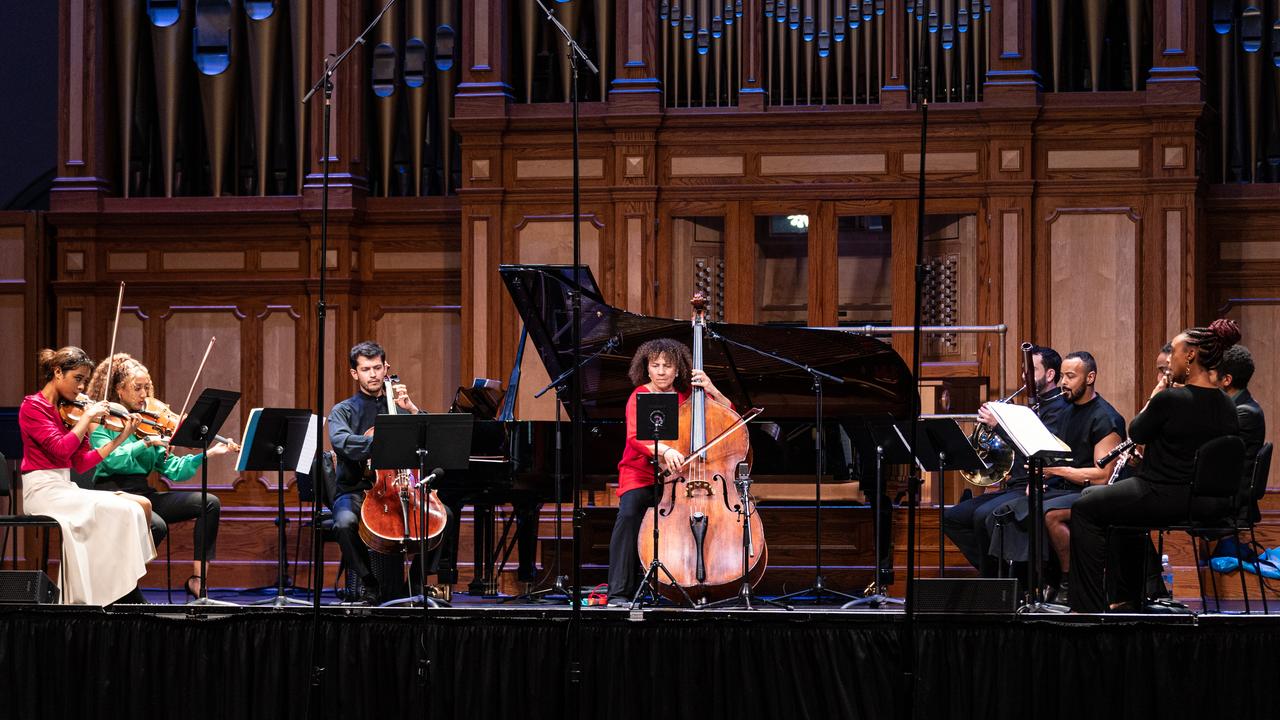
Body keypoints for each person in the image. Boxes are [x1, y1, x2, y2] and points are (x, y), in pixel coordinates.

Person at [1070, 320, 1243, 613]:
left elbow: (1137, 432)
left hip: (1164, 494)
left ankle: (1086, 607)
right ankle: (1127, 599)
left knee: (1085, 507)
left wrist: (1156, 393)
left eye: (1174, 352)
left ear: (1189, 355)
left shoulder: (1170, 398)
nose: (1170, 361)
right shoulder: (1226, 404)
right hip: (1205, 501)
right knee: (1117, 510)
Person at [86, 353, 232, 599]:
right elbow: (111, 460)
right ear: (119, 390)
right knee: (156, 525)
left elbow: (174, 469)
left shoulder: (151, 423)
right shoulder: (102, 421)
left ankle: (198, 580)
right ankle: (123, 586)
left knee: (209, 502)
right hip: (112, 492)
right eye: (137, 388)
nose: (144, 395)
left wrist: (208, 454)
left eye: (147, 388)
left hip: (142, 492)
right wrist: (145, 443)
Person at [18, 347, 156, 604]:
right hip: (42, 491)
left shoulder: (72, 413)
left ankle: (115, 590)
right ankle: (121, 595)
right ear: (58, 372)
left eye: (85, 380)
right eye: (78, 378)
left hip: (64, 486)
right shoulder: (32, 406)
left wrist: (121, 438)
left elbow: (81, 463)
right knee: (124, 511)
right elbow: (60, 448)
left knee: (136, 508)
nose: (82, 388)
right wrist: (89, 418)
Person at [992, 351, 1126, 604]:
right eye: (1062, 375)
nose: (1064, 382)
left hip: (1094, 493)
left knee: (1050, 514)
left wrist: (1054, 472)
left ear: (1090, 377)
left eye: (1071, 376)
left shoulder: (1104, 417)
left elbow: (1103, 476)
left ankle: (1068, 581)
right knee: (1011, 510)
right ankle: (1029, 586)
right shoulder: (1067, 412)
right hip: (1065, 488)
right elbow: (1057, 457)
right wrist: (1040, 479)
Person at [328, 341, 457, 604]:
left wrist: (411, 410)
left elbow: (430, 441)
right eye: (366, 369)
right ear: (355, 373)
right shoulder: (343, 411)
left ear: (386, 368)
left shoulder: (400, 408)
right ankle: (369, 583)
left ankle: (416, 582)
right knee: (343, 523)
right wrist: (384, 441)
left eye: (377, 367)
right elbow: (341, 442)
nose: (373, 374)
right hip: (357, 490)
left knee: (446, 517)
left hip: (400, 489)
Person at [606, 338, 726, 606]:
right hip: (640, 473)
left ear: (677, 370)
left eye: (667, 366)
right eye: (655, 365)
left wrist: (712, 389)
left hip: (679, 478)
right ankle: (619, 593)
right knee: (628, 515)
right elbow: (635, 438)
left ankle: (684, 585)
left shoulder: (687, 397)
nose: (661, 371)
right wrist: (664, 451)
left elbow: (727, 415)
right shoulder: (639, 395)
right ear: (646, 368)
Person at [942, 345, 1067, 576]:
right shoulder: (1029, 406)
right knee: (952, 517)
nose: (1024, 377)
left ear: (1050, 375)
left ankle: (997, 583)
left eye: (1031, 372)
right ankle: (994, 576)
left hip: (1039, 487)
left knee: (983, 516)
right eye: (1023, 372)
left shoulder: (1060, 409)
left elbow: (1037, 449)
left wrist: (999, 425)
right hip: (1015, 484)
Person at [1212, 345, 1266, 525]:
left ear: (1226, 379)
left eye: (1211, 373)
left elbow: (1210, 451)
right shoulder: (1238, 408)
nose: (1208, 378)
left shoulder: (1244, 413)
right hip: (1226, 497)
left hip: (1232, 505)